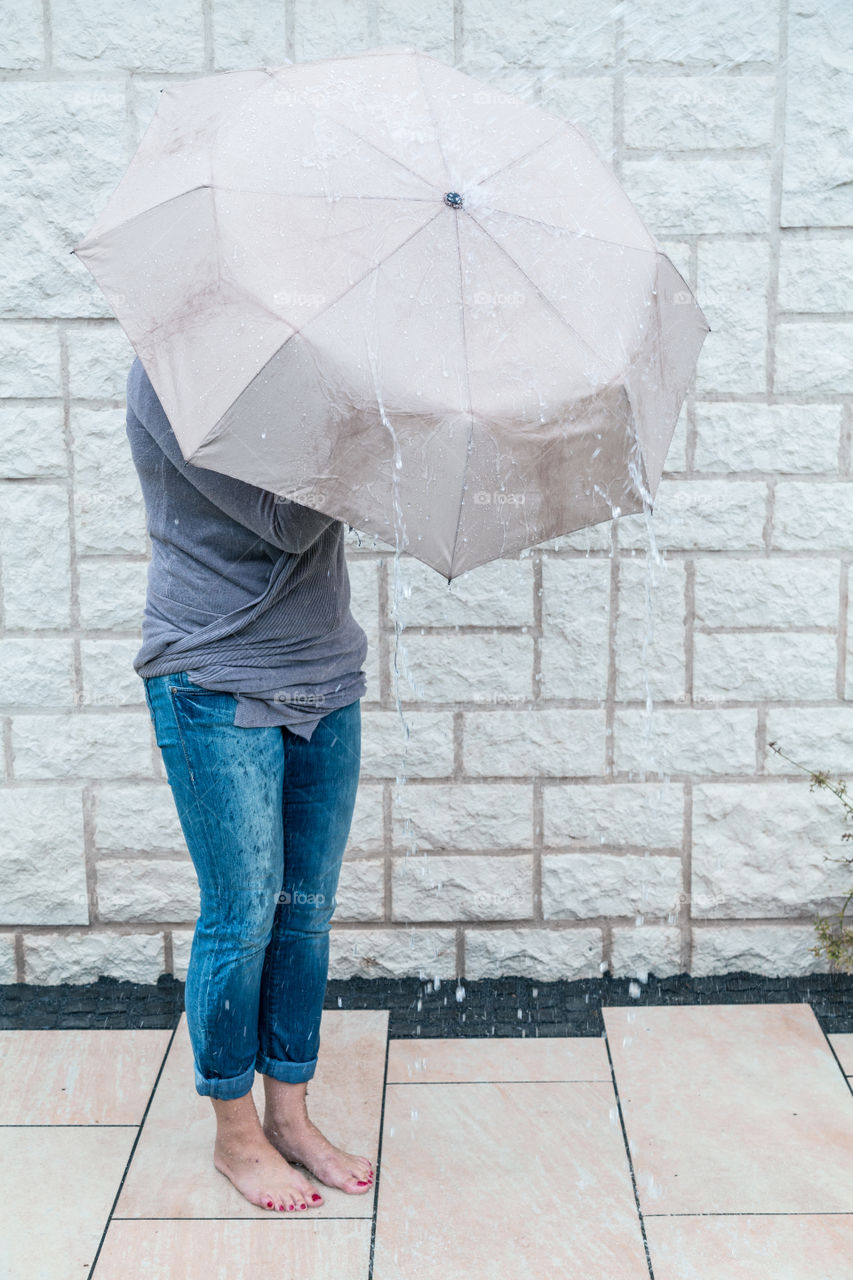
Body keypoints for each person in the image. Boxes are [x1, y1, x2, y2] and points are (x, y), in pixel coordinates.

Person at [125, 355, 374, 1213]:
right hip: (212, 675)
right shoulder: (173, 374)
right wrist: (375, 418)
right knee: (241, 913)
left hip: (325, 670)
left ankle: (291, 1118)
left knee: (303, 910)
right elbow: (287, 520)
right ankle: (236, 1136)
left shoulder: (308, 373)